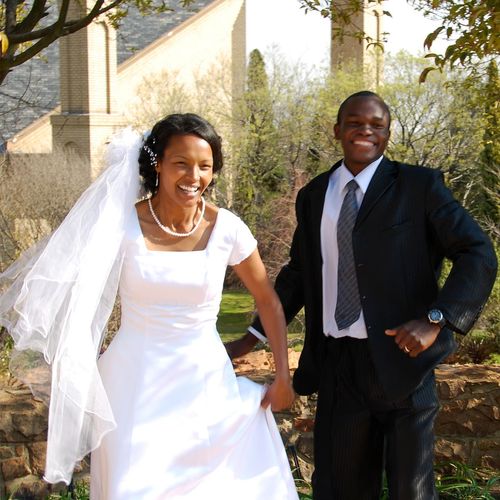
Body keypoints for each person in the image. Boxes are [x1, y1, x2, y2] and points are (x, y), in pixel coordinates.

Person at [0, 114, 299, 499]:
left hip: (205, 384)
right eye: (181, 164)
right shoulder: (121, 224)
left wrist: (283, 377)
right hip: (133, 385)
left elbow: (268, 301)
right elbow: (80, 295)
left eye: (205, 166)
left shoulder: (227, 229)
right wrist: (82, 353)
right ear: (157, 164)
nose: (194, 176)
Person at [227, 91, 497, 499]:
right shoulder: (314, 195)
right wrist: (252, 336)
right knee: (339, 488)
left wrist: (436, 319)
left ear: (388, 135)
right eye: (355, 123)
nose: (365, 131)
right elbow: (299, 274)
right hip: (338, 365)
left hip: (403, 363)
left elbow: (477, 253)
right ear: (337, 130)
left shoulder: (419, 187)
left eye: (377, 126)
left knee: (412, 490)